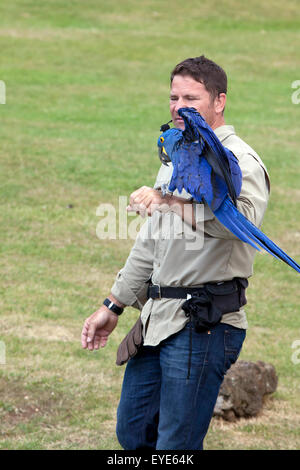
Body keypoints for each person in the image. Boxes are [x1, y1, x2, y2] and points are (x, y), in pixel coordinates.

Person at [81, 55, 270, 450]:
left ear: (219, 101)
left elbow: (245, 227)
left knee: (176, 446)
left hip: (204, 324)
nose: (179, 105)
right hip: (157, 319)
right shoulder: (177, 153)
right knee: (133, 433)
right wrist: (113, 305)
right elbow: (151, 241)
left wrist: (168, 202)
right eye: (173, 96)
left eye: (192, 97)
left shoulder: (241, 160)